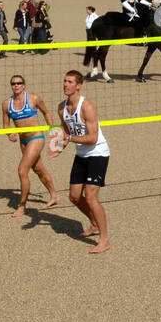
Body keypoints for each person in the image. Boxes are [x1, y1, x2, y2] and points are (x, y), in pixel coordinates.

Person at [51, 70, 111, 254]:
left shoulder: (87, 107)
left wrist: (68, 140)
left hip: (98, 153)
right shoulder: (62, 108)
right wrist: (58, 147)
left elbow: (92, 138)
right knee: (74, 197)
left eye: (69, 82)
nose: (65, 84)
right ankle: (93, 222)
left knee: (91, 197)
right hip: (81, 154)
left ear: (78, 85)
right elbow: (66, 133)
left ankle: (104, 239)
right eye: (64, 81)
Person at [2, 75, 59, 217]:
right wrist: (9, 134)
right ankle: (54, 196)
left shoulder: (33, 98)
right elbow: (6, 124)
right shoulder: (6, 103)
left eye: (19, 83)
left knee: (22, 170)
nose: (16, 85)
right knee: (38, 169)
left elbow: (46, 112)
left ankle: (22, 206)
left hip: (36, 137)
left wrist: (54, 132)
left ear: (24, 85)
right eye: (13, 83)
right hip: (23, 141)